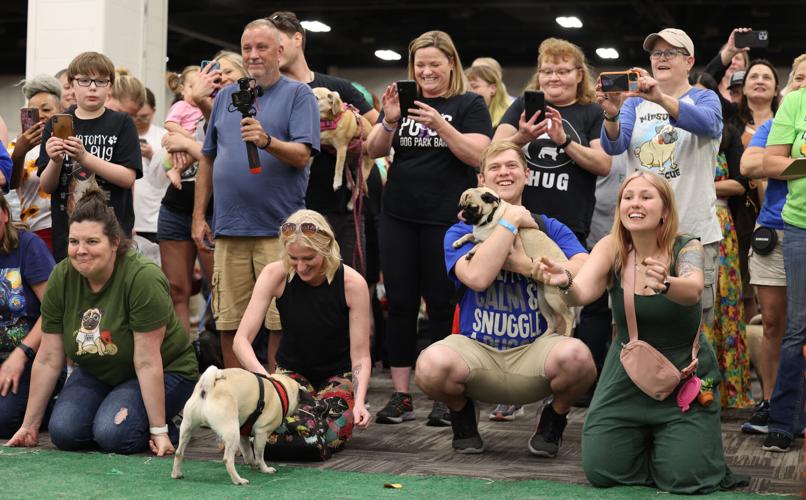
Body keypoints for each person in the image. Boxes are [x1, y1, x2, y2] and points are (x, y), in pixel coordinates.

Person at [537, 171, 746, 493]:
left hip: (683, 376)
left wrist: (665, 283)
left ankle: (672, 448)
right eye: (628, 197)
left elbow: (692, 291)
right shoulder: (611, 246)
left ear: (665, 209)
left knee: (686, 478)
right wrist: (563, 281)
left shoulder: (687, 246)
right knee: (603, 471)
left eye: (646, 197)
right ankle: (654, 446)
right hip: (627, 376)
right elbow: (583, 292)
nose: (635, 204)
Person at [415, 141, 593, 457]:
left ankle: (555, 416)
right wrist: (509, 220)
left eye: (511, 165)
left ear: (527, 174)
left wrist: (527, 266)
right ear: (481, 180)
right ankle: (461, 412)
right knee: (430, 365)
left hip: (536, 351)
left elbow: (583, 268)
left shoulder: (548, 226)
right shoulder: (459, 230)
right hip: (478, 353)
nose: (504, 173)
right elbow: (479, 278)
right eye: (494, 167)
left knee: (578, 358)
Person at [6, 189, 198, 455]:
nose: (81, 251)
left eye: (92, 242)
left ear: (114, 243)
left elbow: (146, 360)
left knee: (115, 435)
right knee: (64, 431)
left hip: (165, 370)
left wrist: (158, 431)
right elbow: (49, 357)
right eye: (74, 242)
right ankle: (119, 411)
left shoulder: (142, 278)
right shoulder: (62, 277)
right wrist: (30, 425)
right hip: (99, 370)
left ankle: (170, 423)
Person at [365, 30, 492, 426]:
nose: (427, 71)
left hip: (446, 219)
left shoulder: (469, 103)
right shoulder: (404, 102)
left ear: (451, 63)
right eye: (420, 65)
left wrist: (440, 124)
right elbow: (372, 150)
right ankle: (401, 395)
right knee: (400, 304)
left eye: (434, 64)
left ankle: (442, 393)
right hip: (398, 216)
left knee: (442, 303)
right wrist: (388, 122)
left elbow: (479, 154)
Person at [493, 37, 611, 417]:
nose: (554, 77)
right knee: (516, 300)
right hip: (518, 221)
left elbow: (603, 163)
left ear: (580, 75)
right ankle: (512, 386)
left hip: (567, 224)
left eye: (563, 70)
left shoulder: (590, 111)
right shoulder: (524, 106)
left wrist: (564, 143)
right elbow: (491, 153)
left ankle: (564, 384)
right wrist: (522, 137)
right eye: (547, 70)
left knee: (564, 303)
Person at [192, 18, 319, 369]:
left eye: (262, 47)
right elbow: (207, 159)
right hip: (229, 229)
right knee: (229, 322)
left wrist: (267, 141)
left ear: (281, 51)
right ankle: (240, 403)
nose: (253, 55)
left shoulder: (299, 95)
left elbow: (303, 155)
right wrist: (199, 217)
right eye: (247, 48)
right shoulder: (226, 99)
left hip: (279, 232)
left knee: (281, 322)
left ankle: (278, 401)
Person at [598, 28, 723, 334]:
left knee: (693, 329)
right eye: (656, 53)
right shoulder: (633, 104)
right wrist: (612, 115)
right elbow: (613, 146)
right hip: (640, 237)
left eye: (670, 53)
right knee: (631, 327)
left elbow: (707, 124)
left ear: (689, 61)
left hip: (692, 236)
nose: (661, 59)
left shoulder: (706, 97)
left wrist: (661, 98)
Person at [232, 209, 371, 456]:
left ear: (327, 248)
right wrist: (267, 380)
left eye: (308, 258)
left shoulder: (352, 283)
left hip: (337, 374)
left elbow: (360, 356)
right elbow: (241, 340)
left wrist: (359, 401)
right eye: (294, 258)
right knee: (287, 427)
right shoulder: (276, 274)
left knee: (330, 437)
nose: (301, 267)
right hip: (291, 373)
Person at [269, 10, 379, 280]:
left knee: (348, 288)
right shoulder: (265, 95)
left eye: (276, 41)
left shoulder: (339, 88)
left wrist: (359, 141)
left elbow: (379, 140)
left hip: (337, 211)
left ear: (297, 38)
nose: (272, 49)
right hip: (282, 212)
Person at [739, 53, 806, 436]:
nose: (803, 82)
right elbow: (750, 165)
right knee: (777, 325)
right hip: (781, 230)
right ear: (790, 83)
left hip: (793, 228)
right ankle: (773, 404)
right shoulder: (784, 117)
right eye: (798, 77)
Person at [158, 52, 246, 336]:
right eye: (215, 72)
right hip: (176, 205)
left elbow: (222, 157)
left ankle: (228, 363)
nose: (219, 77)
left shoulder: (244, 112)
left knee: (220, 293)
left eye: (228, 72)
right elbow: (175, 143)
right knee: (176, 290)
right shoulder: (196, 112)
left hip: (215, 210)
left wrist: (185, 143)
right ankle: (184, 363)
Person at [36, 52, 142, 262]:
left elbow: (127, 177)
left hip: (112, 232)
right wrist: (56, 161)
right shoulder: (56, 123)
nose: (93, 87)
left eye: (101, 81)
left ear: (109, 87)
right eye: (84, 81)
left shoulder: (123, 123)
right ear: (71, 85)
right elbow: (47, 186)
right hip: (68, 234)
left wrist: (85, 157)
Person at [758, 67, 806, 453]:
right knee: (798, 328)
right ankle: (784, 421)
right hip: (800, 228)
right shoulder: (795, 102)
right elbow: (769, 163)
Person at [0, 192, 58, 437]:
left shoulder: (27, 246)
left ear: (4, 214)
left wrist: (21, 354)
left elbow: (55, 310)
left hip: (31, 357)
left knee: (3, 422)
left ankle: (52, 399)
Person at [8, 74, 61, 252]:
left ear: (59, 109)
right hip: (33, 229)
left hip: (67, 226)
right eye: (33, 110)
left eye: (46, 109)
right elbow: (11, 184)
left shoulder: (68, 140)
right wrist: (19, 152)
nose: (40, 115)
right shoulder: (18, 144)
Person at [132, 88, 167, 247]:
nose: (138, 120)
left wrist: (153, 155)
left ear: (153, 112)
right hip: (131, 216)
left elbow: (173, 174)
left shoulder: (163, 136)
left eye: (144, 117)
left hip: (155, 216)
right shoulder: (123, 133)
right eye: (134, 116)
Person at [163, 66, 203, 189]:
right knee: (172, 157)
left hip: (192, 144)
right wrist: (187, 136)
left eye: (199, 87)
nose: (195, 91)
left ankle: (177, 171)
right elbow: (169, 123)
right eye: (191, 87)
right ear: (182, 90)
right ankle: (171, 170)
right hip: (181, 139)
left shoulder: (203, 108)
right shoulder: (182, 105)